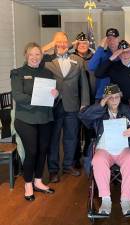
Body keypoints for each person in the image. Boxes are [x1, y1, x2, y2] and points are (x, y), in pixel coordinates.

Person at [79, 84, 130, 216]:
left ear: (120, 98)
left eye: (117, 97)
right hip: (104, 149)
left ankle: (126, 200)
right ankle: (106, 200)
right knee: (98, 160)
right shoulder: (100, 111)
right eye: (111, 98)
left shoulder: (128, 110)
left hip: (123, 148)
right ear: (106, 99)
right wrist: (100, 104)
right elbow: (83, 117)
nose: (115, 100)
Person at [10, 42, 58, 201]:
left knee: (43, 149)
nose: (35, 57)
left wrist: (55, 94)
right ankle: (28, 183)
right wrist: (37, 99)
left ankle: (38, 180)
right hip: (25, 119)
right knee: (32, 151)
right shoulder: (17, 73)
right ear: (26, 55)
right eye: (32, 54)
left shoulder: (48, 73)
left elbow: (52, 98)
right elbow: (17, 96)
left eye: (38, 54)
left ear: (41, 56)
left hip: (45, 118)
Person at [43, 32, 90, 183]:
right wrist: (50, 45)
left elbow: (84, 83)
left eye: (64, 42)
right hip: (53, 106)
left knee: (71, 137)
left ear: (69, 43)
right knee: (53, 139)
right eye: (58, 42)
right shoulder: (47, 60)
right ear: (54, 43)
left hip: (73, 105)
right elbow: (35, 55)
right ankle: (53, 170)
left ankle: (68, 165)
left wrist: (84, 102)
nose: (62, 44)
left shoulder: (78, 60)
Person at [72, 32, 96, 169]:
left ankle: (88, 155)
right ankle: (75, 158)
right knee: (75, 131)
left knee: (89, 131)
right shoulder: (71, 58)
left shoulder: (94, 58)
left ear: (89, 44)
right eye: (80, 43)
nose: (82, 45)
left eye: (85, 43)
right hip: (75, 100)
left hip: (91, 100)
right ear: (76, 44)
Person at [88, 28, 120, 101]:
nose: (111, 41)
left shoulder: (122, 55)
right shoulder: (102, 53)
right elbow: (91, 66)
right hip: (102, 96)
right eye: (109, 39)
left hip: (118, 97)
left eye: (114, 38)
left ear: (118, 39)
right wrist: (101, 46)